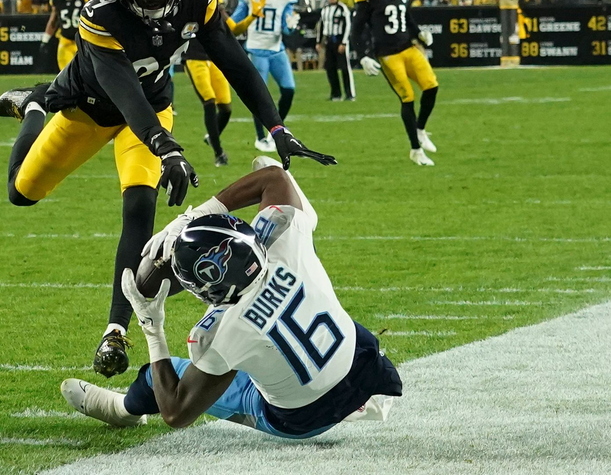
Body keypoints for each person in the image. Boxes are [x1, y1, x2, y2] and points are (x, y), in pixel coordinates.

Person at [0, 0, 335, 379]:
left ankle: (115, 330)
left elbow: (231, 58)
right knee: (22, 192)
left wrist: (276, 127)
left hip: (152, 109)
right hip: (90, 109)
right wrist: (167, 146)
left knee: (140, 207)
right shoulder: (101, 13)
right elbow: (121, 91)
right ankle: (34, 104)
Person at [62, 157, 402, 437]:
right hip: (363, 363)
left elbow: (176, 412)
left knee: (161, 378)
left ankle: (123, 410)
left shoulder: (223, 332)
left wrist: (153, 329)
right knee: (282, 193)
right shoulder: (284, 237)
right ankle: (353, 396)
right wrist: (192, 217)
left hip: (305, 416)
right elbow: (273, 176)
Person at [351, 0, 439, 167]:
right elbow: (357, 28)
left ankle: (420, 129)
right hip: (387, 54)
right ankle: (416, 150)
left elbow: (407, 19)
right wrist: (363, 55)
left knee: (431, 86)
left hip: (408, 47)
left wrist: (419, 34)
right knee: (407, 97)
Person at [184, 0, 264, 167]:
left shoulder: (214, 4)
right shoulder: (182, 4)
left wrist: (253, 17)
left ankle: (213, 137)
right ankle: (219, 153)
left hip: (212, 60)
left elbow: (234, 30)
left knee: (226, 108)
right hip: (194, 58)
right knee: (209, 102)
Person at [231, 0, 300, 153]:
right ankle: (260, 136)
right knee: (259, 95)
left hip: (277, 49)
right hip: (256, 49)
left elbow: (286, 25)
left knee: (289, 90)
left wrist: (291, 25)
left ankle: (275, 129)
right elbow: (236, 18)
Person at [316, 0, 355, 101]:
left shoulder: (343, 8)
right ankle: (335, 94)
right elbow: (321, 26)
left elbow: (348, 26)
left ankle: (349, 94)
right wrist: (319, 42)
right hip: (328, 41)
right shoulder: (325, 9)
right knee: (330, 68)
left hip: (339, 40)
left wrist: (343, 42)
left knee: (344, 68)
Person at [41, 0, 83, 71]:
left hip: (82, 42)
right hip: (65, 41)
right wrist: (45, 40)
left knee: (84, 72)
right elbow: (53, 21)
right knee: (66, 73)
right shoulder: (57, 1)